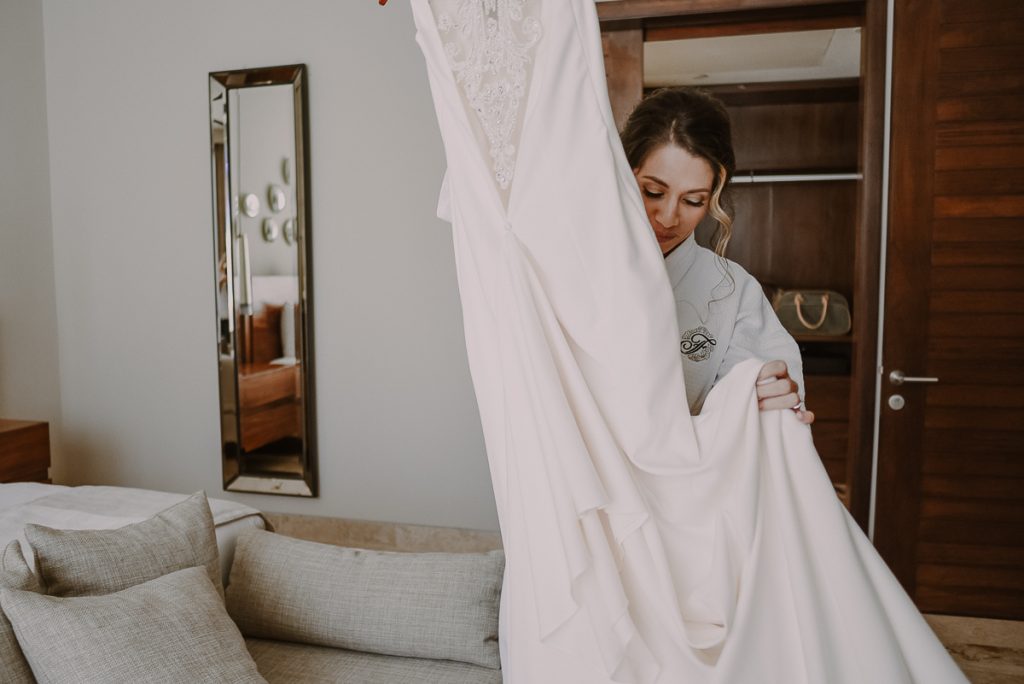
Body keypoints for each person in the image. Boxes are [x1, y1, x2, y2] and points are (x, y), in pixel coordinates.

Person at [621, 87, 813, 422]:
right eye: (653, 192)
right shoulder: (570, 269)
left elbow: (767, 391)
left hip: (690, 469)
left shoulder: (733, 291)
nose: (668, 217)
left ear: (714, 196)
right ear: (624, 175)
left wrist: (768, 396)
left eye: (693, 200)